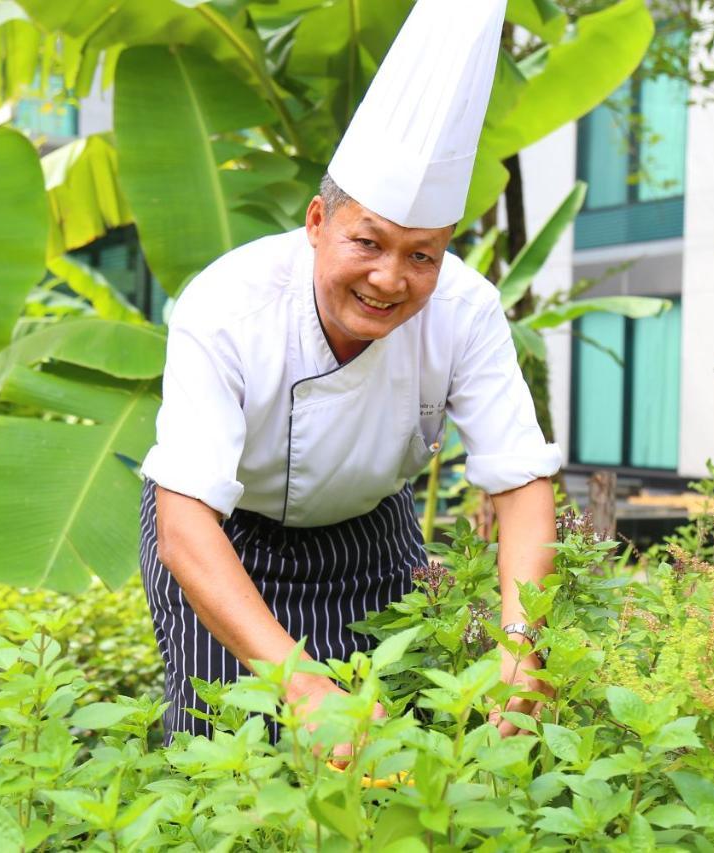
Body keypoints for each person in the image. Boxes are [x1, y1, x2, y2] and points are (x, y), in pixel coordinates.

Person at [138, 0, 561, 745]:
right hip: (223, 538)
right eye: (368, 241)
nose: (391, 279)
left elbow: (521, 481)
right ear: (315, 223)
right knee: (231, 755)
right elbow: (182, 526)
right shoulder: (227, 305)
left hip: (369, 534)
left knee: (411, 737)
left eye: (422, 253)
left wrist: (523, 645)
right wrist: (301, 683)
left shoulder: (466, 309)